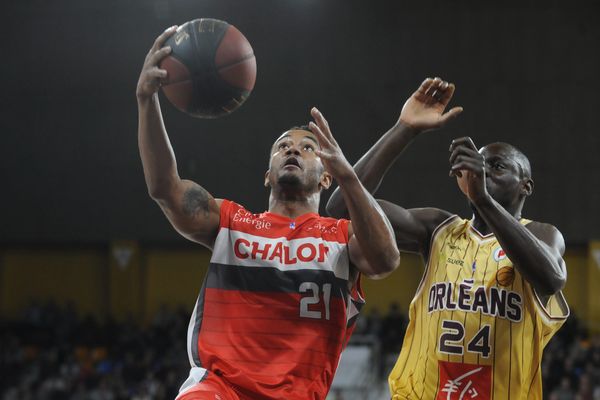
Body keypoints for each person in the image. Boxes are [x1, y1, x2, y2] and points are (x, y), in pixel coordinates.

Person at [135, 26, 400, 400]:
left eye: (308, 147)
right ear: (267, 175)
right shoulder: (230, 221)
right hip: (219, 388)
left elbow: (386, 259)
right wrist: (147, 102)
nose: (293, 150)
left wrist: (349, 176)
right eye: (282, 147)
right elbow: (165, 188)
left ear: (327, 178)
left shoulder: (341, 237)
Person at [327, 77, 569, 399]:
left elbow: (550, 278)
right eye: (479, 165)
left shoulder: (541, 234)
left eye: (496, 166)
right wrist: (406, 129)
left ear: (526, 186)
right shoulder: (437, 227)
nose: (482, 172)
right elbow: (342, 209)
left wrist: (483, 199)